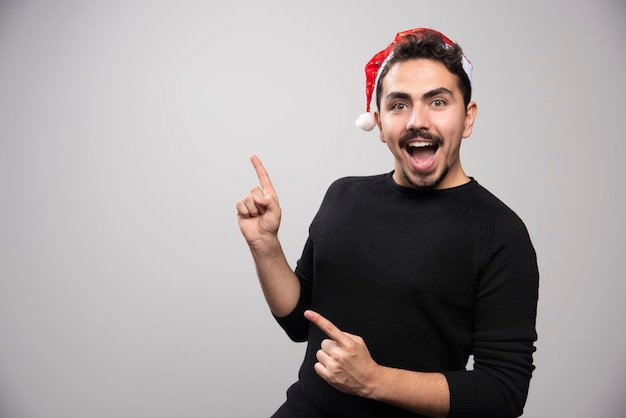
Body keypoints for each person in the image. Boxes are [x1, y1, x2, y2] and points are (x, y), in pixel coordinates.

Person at [236, 27, 539, 418]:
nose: (417, 120)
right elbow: (299, 321)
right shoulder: (344, 196)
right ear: (379, 123)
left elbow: (503, 393)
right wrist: (266, 248)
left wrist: (373, 380)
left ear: (467, 118)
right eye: (399, 105)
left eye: (438, 101)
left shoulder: (499, 233)